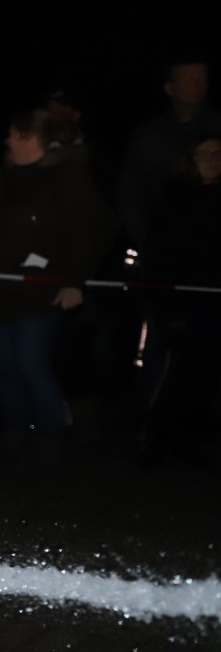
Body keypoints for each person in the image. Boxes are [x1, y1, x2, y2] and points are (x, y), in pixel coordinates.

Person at [0, 108, 117, 468]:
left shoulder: (70, 176)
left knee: (32, 365)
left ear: (31, 138)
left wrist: (73, 280)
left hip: (37, 294)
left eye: (12, 134)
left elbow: (90, 232)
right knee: (5, 366)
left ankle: (50, 437)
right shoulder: (11, 178)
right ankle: (15, 435)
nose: (7, 141)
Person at [136, 135, 221, 466]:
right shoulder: (174, 199)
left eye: (218, 153)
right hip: (181, 301)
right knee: (177, 371)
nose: (213, 159)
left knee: (206, 375)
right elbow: (159, 255)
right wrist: (168, 304)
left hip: (214, 302)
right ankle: (155, 440)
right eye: (205, 153)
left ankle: (192, 441)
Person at [117, 60, 221, 251]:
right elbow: (131, 193)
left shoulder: (217, 127)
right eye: (190, 79)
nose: (198, 85)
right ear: (170, 88)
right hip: (164, 243)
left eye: (202, 79)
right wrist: (145, 241)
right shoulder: (149, 137)